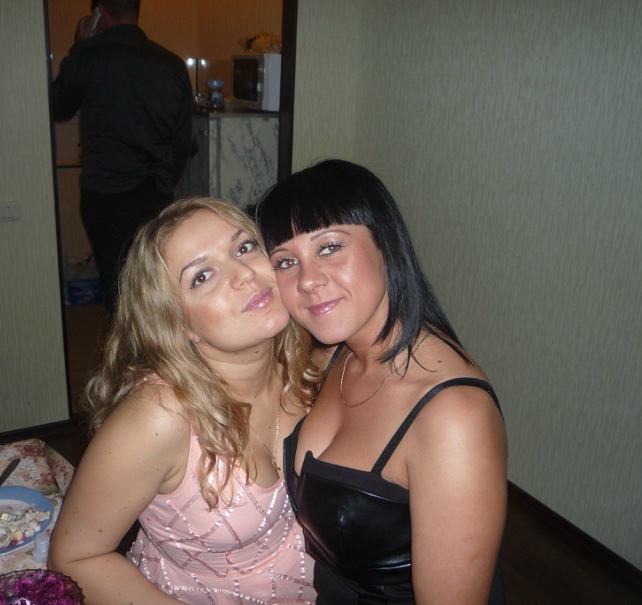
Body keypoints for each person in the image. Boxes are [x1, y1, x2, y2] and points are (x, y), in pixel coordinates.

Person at [255, 159, 508, 604]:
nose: (308, 280)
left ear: (385, 244)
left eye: (330, 247)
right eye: (286, 261)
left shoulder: (454, 418)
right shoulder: (332, 354)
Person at [49, 198, 317, 604]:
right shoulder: (159, 417)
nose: (244, 274)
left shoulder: (307, 362)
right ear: (177, 324)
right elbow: (74, 557)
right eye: (202, 276)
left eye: (244, 247)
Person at [51, 0, 193, 310]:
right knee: (155, 279)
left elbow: (57, 107)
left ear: (100, 12)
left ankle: (127, 338)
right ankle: (157, 339)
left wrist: (80, 45)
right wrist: (164, 182)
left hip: (105, 195)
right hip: (154, 193)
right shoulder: (171, 63)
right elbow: (182, 141)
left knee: (116, 281)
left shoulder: (89, 57)